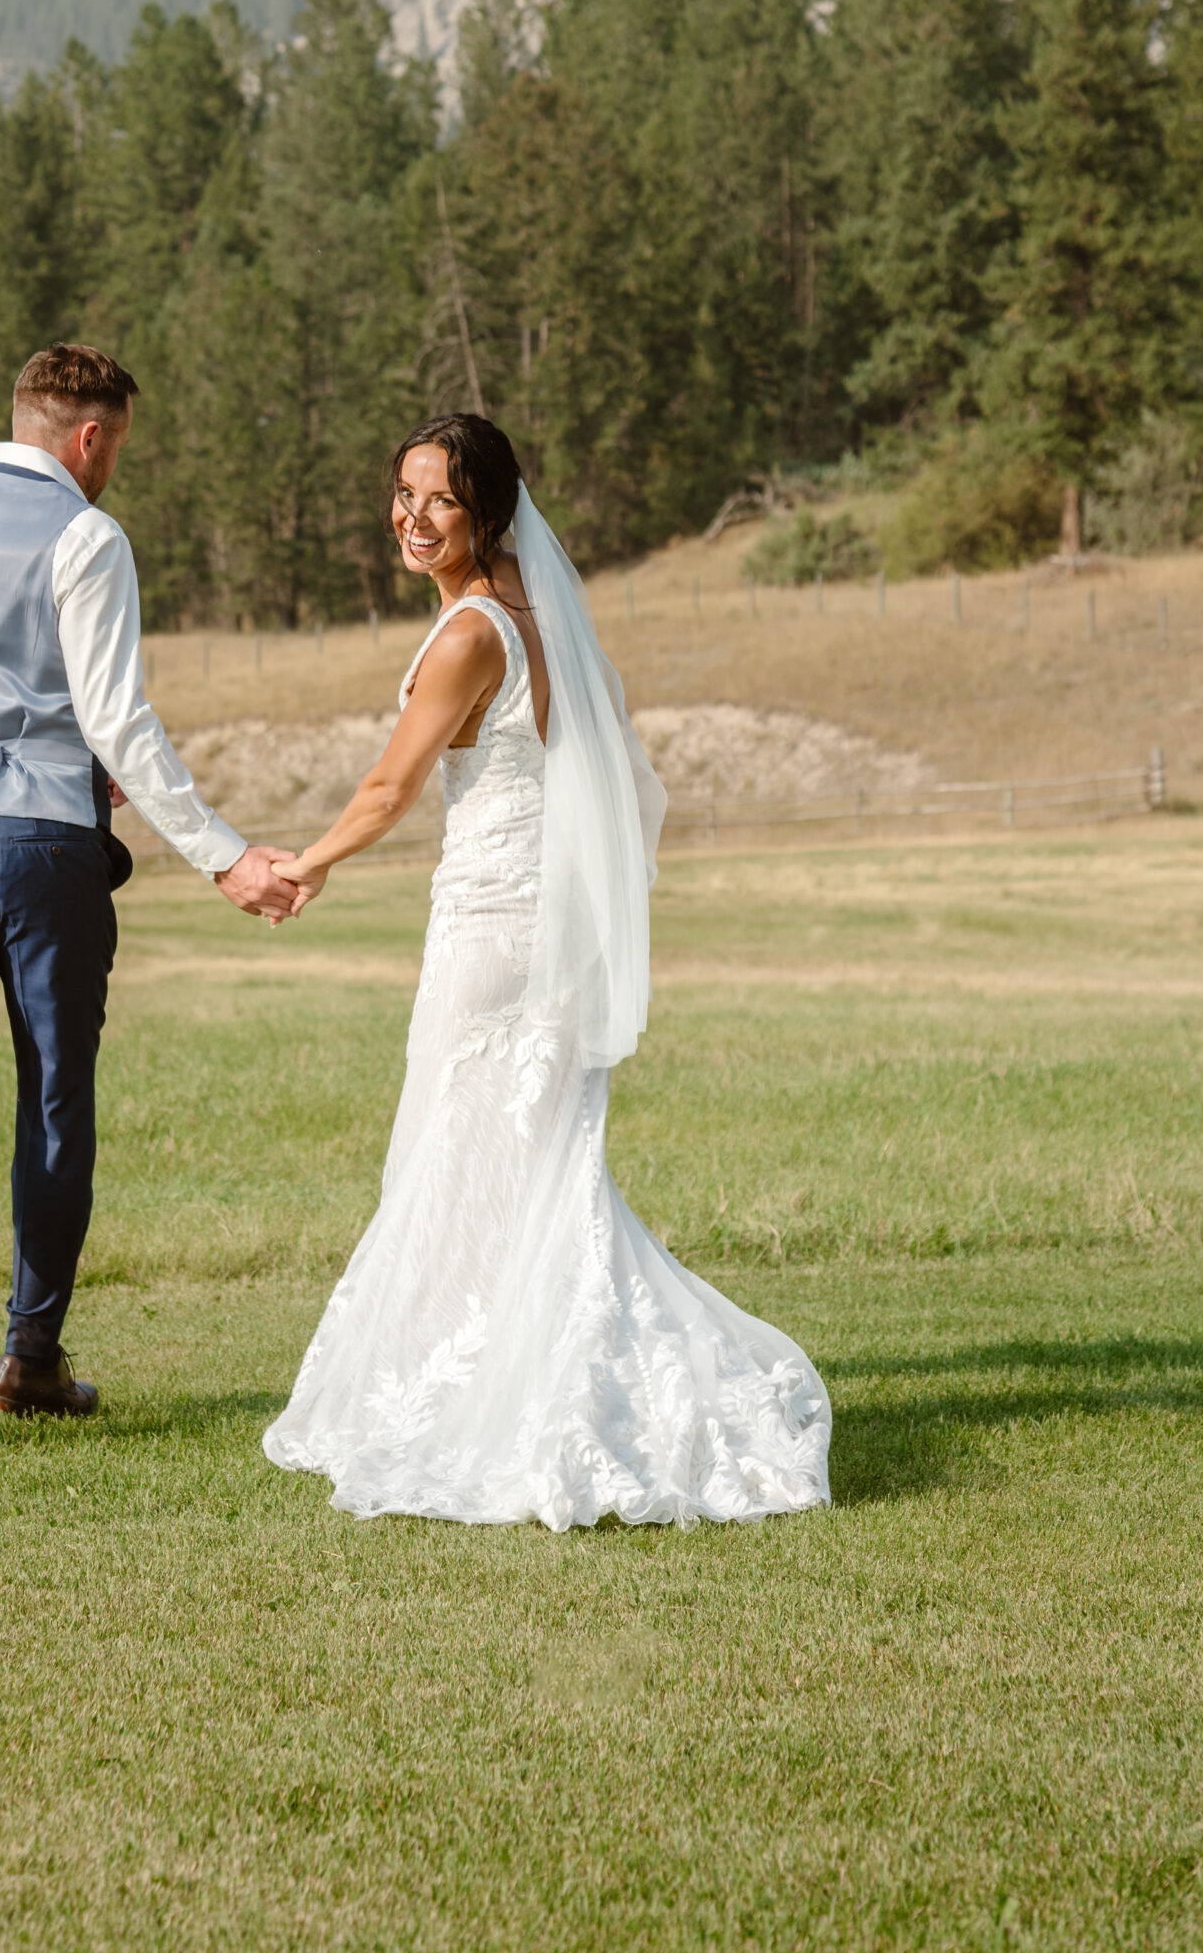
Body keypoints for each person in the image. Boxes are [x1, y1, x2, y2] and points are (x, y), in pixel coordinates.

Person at [262, 414, 831, 1527]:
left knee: (459, 1159)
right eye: (404, 493)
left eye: (440, 499)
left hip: (489, 927)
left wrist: (305, 863)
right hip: (551, 927)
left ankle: (484, 1399)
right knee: (530, 1171)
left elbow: (388, 788)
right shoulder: (539, 611)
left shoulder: (471, 635)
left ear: (486, 511)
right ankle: (509, 1378)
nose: (413, 517)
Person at [0, 341, 300, 1448]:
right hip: (41, 842)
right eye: (116, 448)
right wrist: (221, 853)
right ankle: (30, 1356)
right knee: (54, 1093)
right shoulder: (86, 535)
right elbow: (115, 717)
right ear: (89, 435)